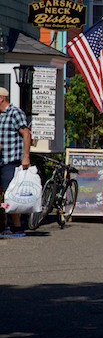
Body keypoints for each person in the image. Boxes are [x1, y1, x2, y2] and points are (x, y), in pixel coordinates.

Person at [0, 87, 32, 232]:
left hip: (10, 160)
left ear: (1, 98)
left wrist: (26, 156)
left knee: (11, 193)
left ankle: (17, 226)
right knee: (3, 195)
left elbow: (26, 133)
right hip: (1, 159)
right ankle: (4, 223)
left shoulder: (15, 113)